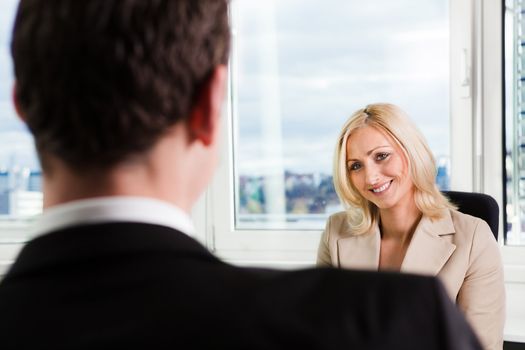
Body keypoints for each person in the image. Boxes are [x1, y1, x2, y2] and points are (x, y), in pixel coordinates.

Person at [0, 1, 482, 349]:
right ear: (210, 107)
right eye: (356, 163)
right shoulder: (392, 321)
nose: (368, 175)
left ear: (22, 106)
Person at [317, 103, 505, 350]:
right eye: (356, 166)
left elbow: (480, 346)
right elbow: (320, 332)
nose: (371, 177)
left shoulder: (472, 239)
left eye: (381, 156)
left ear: (411, 151)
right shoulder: (336, 231)